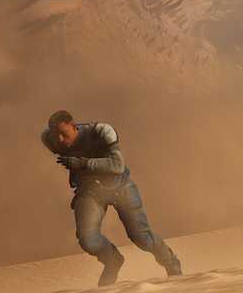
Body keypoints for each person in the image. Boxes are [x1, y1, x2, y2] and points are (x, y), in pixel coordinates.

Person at [41, 110, 183, 285]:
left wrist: (82, 163)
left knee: (142, 238)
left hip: (120, 187)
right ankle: (112, 260)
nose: (60, 140)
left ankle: (171, 263)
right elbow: (49, 138)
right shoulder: (49, 139)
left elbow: (117, 165)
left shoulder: (101, 131)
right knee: (88, 240)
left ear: (74, 126)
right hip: (90, 192)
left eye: (64, 134)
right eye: (56, 136)